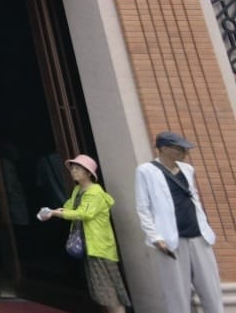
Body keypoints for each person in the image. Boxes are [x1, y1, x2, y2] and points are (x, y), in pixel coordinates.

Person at [134, 130, 222, 313]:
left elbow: (194, 197)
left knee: (211, 289)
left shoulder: (187, 169)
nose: (184, 152)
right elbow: (143, 207)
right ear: (163, 148)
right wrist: (155, 237)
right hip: (171, 240)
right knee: (177, 293)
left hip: (199, 236)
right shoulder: (146, 171)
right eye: (179, 148)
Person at [40, 154, 130, 313]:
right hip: (90, 245)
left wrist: (56, 214)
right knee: (102, 290)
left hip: (99, 247)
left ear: (89, 173)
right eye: (72, 168)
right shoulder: (77, 190)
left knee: (108, 291)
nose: (73, 171)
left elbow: (83, 213)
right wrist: (52, 212)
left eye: (78, 168)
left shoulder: (94, 192)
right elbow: (69, 208)